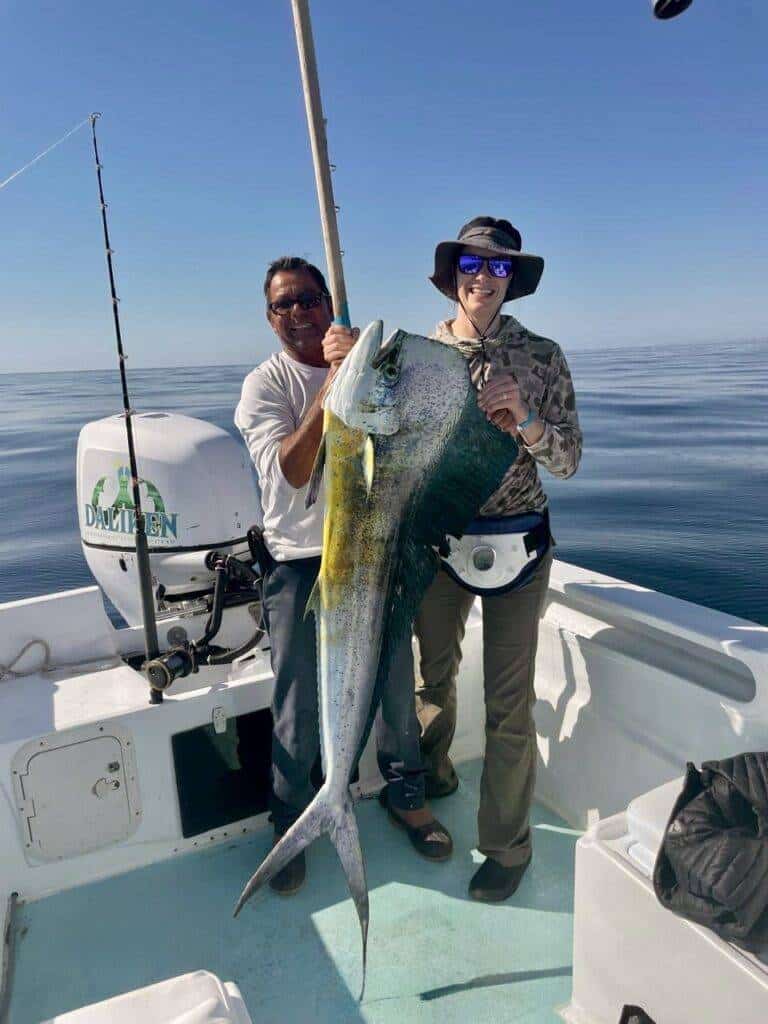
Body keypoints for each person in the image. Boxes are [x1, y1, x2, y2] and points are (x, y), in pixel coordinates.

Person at [235, 256, 452, 895]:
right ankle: (291, 820)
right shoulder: (263, 386)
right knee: (299, 707)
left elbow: (419, 425)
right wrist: (335, 386)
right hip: (300, 565)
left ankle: (404, 792)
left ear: (329, 302)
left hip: (372, 555)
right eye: (285, 305)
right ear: (270, 317)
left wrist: (363, 368)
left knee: (392, 686)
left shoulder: (362, 364)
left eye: (310, 300)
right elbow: (295, 471)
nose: (300, 313)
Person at [415, 217, 582, 902]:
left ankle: (508, 847)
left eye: (499, 268)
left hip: (520, 543)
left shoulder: (543, 356)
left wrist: (532, 423)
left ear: (515, 280)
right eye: (472, 264)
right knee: (433, 680)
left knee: (509, 705)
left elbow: (568, 461)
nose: (483, 278)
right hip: (441, 541)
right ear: (453, 271)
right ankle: (433, 776)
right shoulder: (418, 355)